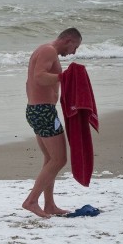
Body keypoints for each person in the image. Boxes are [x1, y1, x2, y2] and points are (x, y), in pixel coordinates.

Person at [22, 28, 82, 218]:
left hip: (37, 110)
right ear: (69, 40)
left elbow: (28, 82)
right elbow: (39, 77)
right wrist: (64, 77)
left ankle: (49, 205)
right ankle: (31, 201)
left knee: (50, 160)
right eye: (75, 47)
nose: (73, 53)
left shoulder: (44, 50)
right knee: (59, 159)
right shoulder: (48, 50)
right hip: (43, 112)